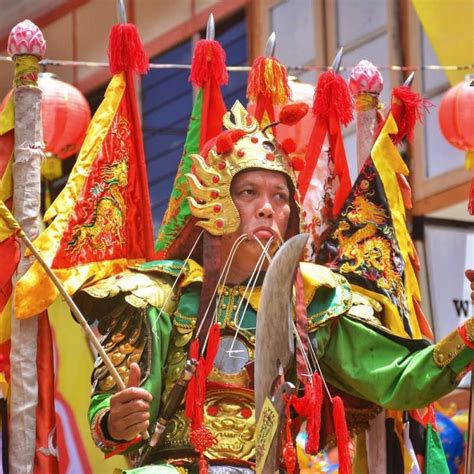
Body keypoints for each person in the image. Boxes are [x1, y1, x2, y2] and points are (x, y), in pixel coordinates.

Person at [78, 102, 473, 473]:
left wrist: (469, 335)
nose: (267, 207)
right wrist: (115, 420)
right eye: (249, 192)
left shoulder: (311, 303)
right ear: (214, 200)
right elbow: (108, 420)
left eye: (279, 196)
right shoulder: (160, 296)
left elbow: (401, 378)